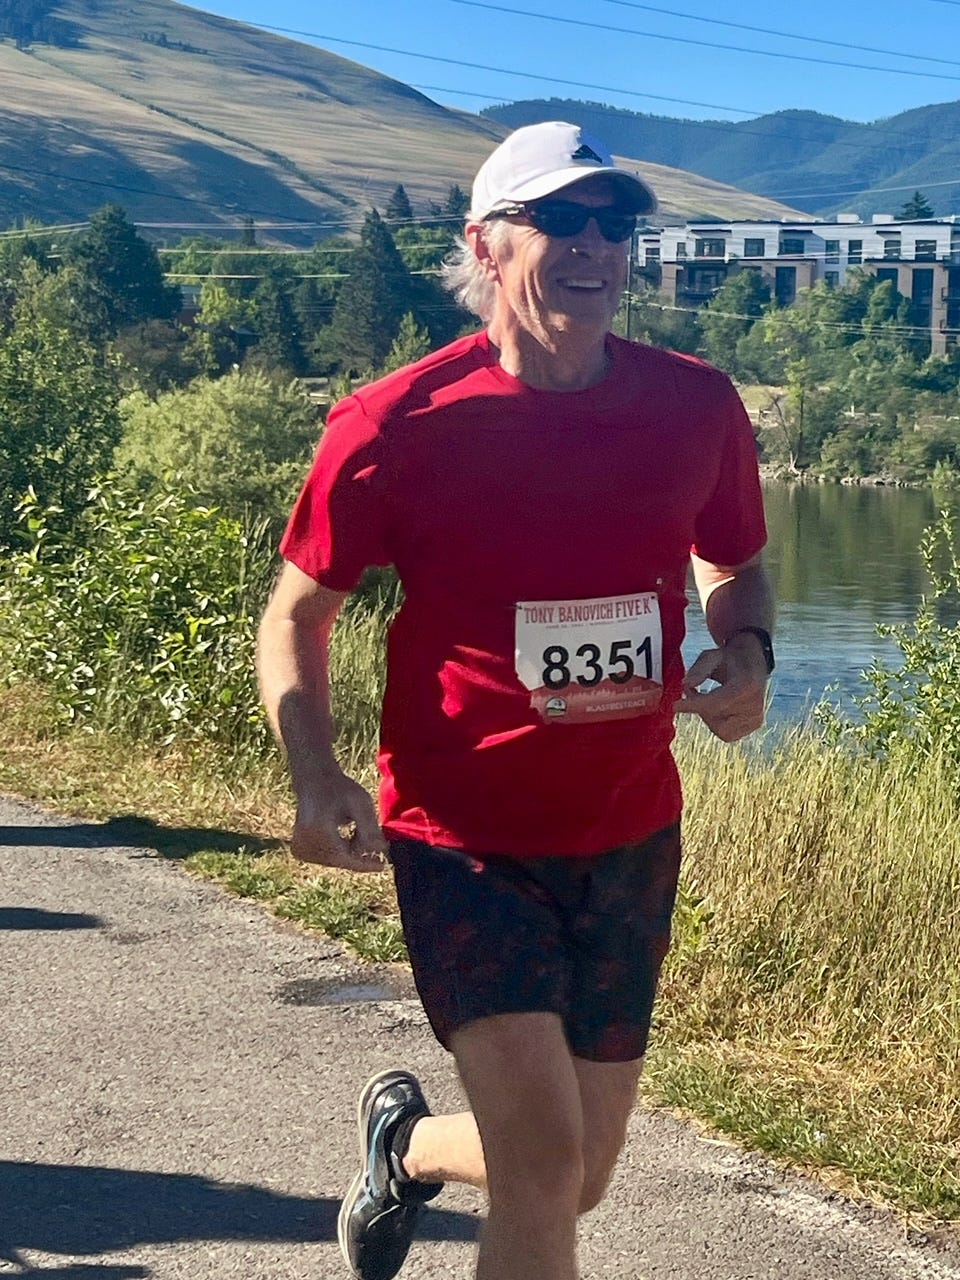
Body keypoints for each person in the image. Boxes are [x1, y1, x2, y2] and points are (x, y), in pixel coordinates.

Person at [257, 120, 775, 1280]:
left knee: (580, 1166)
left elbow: (734, 562)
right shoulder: (396, 425)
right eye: (559, 219)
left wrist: (748, 653)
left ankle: (404, 1146)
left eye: (615, 223)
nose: (594, 245)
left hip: (631, 828)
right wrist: (315, 769)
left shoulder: (694, 406)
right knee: (544, 1169)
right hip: (464, 837)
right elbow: (296, 613)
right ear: (485, 244)